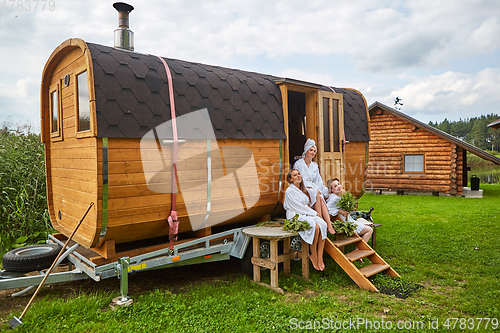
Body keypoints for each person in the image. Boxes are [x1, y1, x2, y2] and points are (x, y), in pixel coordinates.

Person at [283, 169, 328, 271]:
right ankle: (313, 254)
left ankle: (320, 256)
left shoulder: (302, 190)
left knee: (323, 224)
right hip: (295, 215)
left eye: (299, 174)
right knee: (315, 226)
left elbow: (307, 203)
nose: (299, 176)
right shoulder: (289, 191)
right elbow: (298, 206)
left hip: (305, 213)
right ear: (290, 179)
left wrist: (313, 213)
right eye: (295, 175)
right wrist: (314, 213)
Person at [293, 139, 335, 234]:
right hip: (303, 188)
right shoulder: (299, 164)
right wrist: (311, 189)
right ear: (306, 150)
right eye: (311, 150)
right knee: (316, 193)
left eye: (314, 151)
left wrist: (326, 191)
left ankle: (328, 224)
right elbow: (297, 179)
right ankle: (321, 220)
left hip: (313, 188)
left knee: (319, 196)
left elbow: (318, 181)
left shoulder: (314, 166)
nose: (312, 152)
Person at [326, 178, 373, 258]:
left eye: (338, 184)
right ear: (331, 190)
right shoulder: (334, 198)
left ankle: (358, 250)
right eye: (335, 186)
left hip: (347, 220)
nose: (338, 186)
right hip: (346, 223)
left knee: (367, 228)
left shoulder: (336, 196)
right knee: (369, 230)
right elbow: (327, 208)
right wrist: (340, 211)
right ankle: (357, 251)